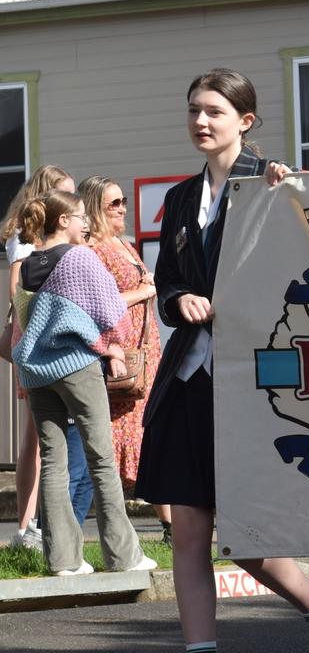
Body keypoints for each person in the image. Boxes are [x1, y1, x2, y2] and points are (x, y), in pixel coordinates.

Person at [132, 68, 309, 653]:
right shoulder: (182, 198)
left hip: (253, 385)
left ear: (246, 121)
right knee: (187, 528)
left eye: (213, 111)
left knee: (248, 539)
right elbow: (166, 283)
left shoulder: (273, 181)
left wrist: (292, 198)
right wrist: (177, 298)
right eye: (193, 111)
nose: (201, 122)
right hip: (189, 379)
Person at [10, 189, 155, 576]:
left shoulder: (28, 265)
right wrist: (114, 346)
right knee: (101, 459)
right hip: (76, 365)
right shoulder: (78, 259)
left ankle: (62, 560)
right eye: (79, 217)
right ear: (63, 221)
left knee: (54, 463)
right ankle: (124, 557)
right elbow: (111, 311)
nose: (85, 224)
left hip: (38, 372)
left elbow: (26, 320)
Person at [1, 164, 94, 550]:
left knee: (39, 437)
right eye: (64, 194)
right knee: (36, 438)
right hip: (37, 339)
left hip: (40, 338)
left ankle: (32, 525)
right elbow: (16, 294)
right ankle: (27, 525)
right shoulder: (25, 238)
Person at [78, 175, 172, 543]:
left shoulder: (122, 243)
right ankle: (120, 530)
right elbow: (98, 304)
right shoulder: (92, 250)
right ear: (95, 209)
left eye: (123, 202)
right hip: (122, 354)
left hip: (146, 349)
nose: (121, 209)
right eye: (112, 204)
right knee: (116, 443)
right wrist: (144, 289)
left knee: (152, 435)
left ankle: (169, 526)